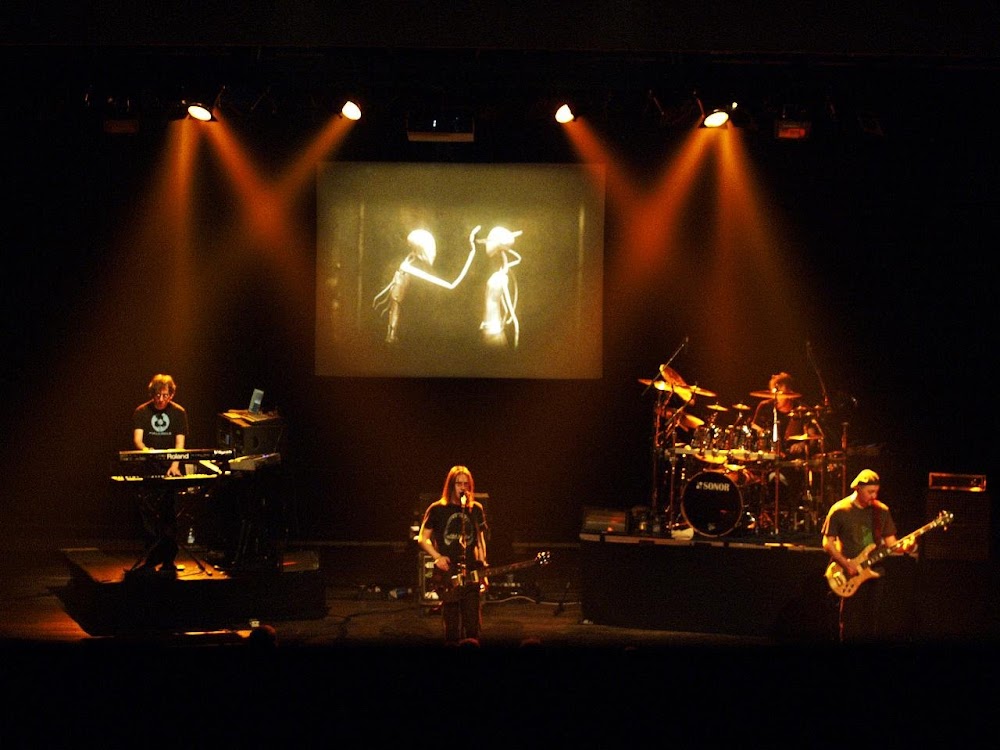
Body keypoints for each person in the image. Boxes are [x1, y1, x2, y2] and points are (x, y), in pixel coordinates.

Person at [821, 469, 916, 642]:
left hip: (875, 572)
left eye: (876, 492)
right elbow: (827, 542)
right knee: (850, 621)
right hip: (849, 573)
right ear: (858, 488)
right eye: (870, 492)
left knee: (871, 621)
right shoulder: (839, 510)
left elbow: (892, 545)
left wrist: (907, 547)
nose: (874, 496)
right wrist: (846, 563)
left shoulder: (882, 510)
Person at [416, 465, 489, 646]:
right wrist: (437, 557)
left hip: (471, 572)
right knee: (452, 625)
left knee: (472, 624)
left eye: (466, 484)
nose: (462, 487)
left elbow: (480, 542)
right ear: (451, 485)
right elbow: (422, 538)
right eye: (459, 483)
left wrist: (483, 569)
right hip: (448, 574)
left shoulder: (476, 509)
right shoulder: (437, 509)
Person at [127, 373, 189, 578]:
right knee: (148, 514)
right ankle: (152, 557)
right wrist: (147, 451)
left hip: (170, 468)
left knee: (169, 512)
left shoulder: (179, 413)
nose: (161, 399)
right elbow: (138, 440)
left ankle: (168, 560)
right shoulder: (141, 412)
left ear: (171, 395)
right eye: (157, 395)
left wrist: (175, 465)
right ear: (152, 394)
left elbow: (180, 444)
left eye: (165, 395)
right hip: (148, 467)